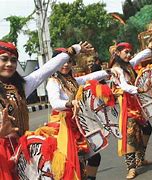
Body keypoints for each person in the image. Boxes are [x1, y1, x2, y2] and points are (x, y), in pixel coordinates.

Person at [0, 40, 92, 179]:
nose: (9, 64)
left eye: (13, 60)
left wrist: (73, 50)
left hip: (23, 149)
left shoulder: (21, 87)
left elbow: (45, 70)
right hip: (3, 156)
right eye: (4, 59)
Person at [46, 48, 116, 180]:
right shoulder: (53, 82)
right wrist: (70, 103)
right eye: (62, 62)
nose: (66, 65)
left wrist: (110, 71)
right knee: (74, 162)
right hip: (64, 126)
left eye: (69, 61)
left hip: (78, 122)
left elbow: (89, 77)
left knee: (95, 157)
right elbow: (55, 103)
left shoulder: (72, 80)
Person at [109, 42, 152, 179]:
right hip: (126, 105)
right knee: (129, 135)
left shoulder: (128, 64)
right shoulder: (117, 69)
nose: (129, 55)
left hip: (136, 103)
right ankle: (131, 168)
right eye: (126, 52)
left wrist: (150, 48)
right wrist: (138, 89)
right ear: (118, 53)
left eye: (130, 52)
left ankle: (140, 158)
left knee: (147, 128)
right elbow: (124, 86)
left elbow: (140, 57)